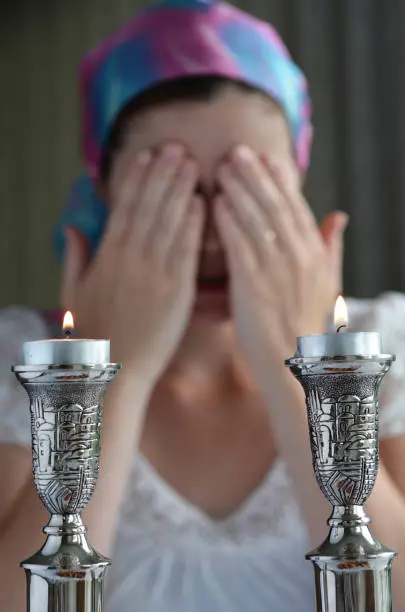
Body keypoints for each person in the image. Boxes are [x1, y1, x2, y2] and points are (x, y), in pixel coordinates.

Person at [1, 1, 405, 610]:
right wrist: (117, 375)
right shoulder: (21, 368)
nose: (215, 235)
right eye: (173, 189)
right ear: (106, 191)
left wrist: (290, 363)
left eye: (248, 188)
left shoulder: (385, 348)